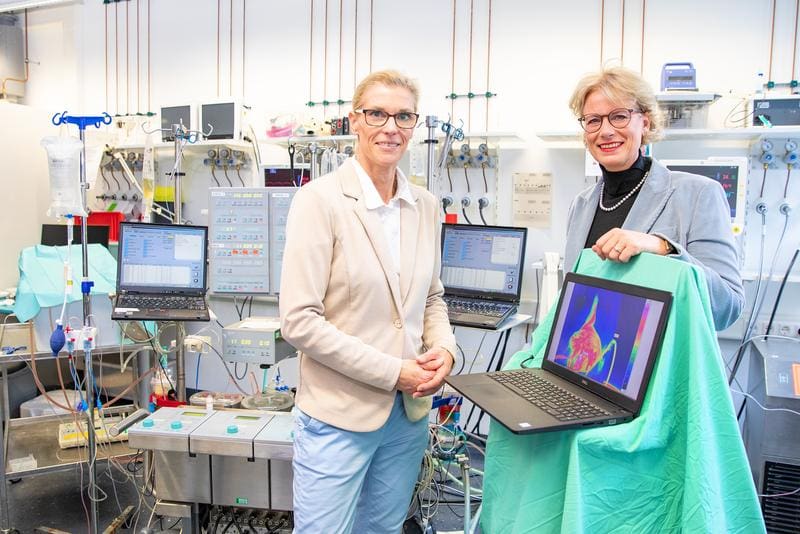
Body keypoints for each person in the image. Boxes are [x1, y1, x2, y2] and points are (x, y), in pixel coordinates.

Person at [279, 70, 457, 533]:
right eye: (377, 113)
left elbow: (432, 298)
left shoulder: (426, 205)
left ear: (414, 125)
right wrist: (392, 371)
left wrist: (445, 351)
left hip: (408, 417)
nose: (390, 127)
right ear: (354, 121)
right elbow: (299, 321)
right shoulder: (319, 202)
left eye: (403, 116)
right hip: (340, 415)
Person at [564, 66, 743, 330]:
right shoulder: (581, 204)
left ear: (645, 123)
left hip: (658, 366)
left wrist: (662, 248)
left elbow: (726, 308)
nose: (605, 131)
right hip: (590, 361)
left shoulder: (698, 194)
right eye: (593, 120)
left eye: (619, 116)